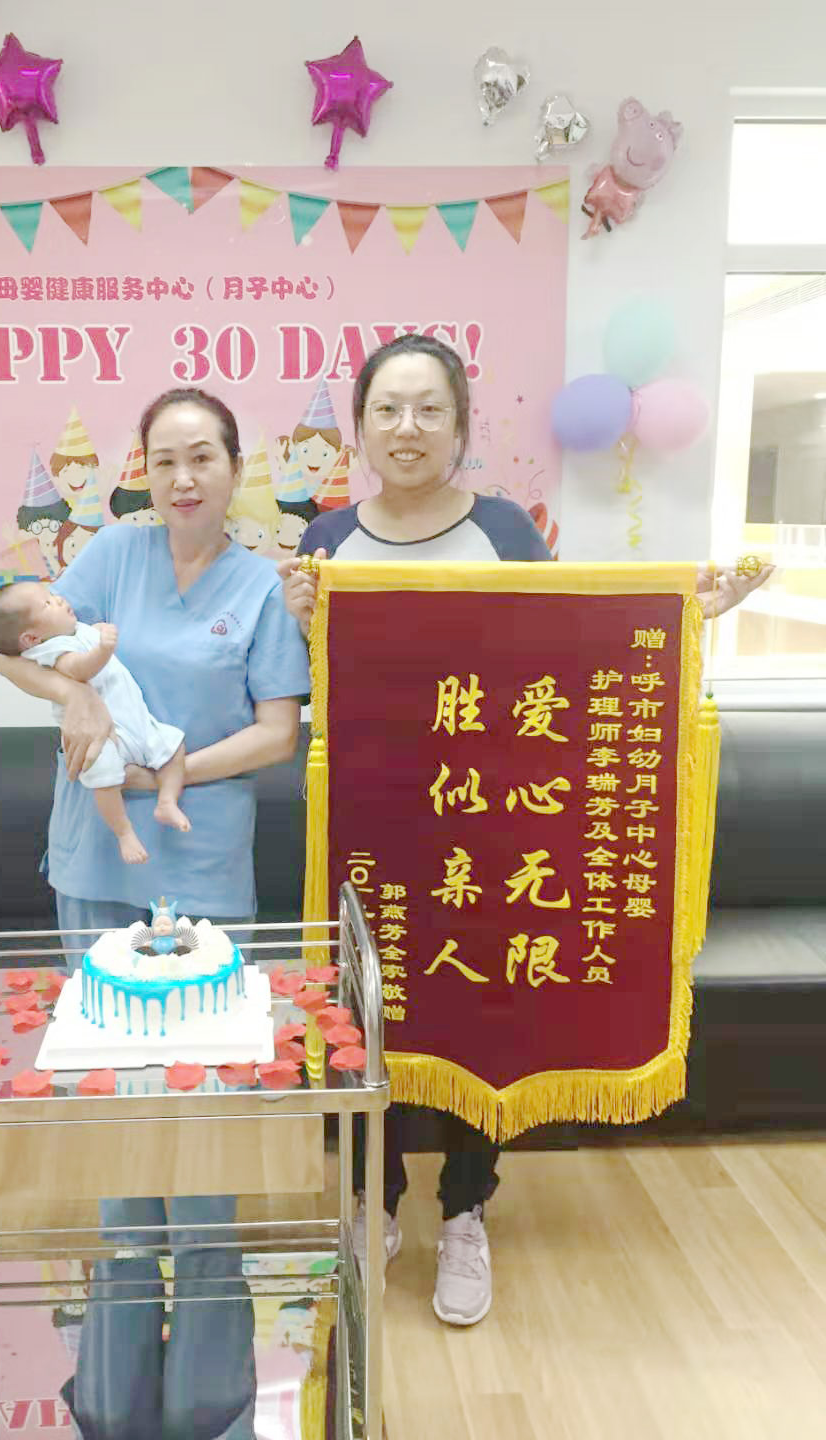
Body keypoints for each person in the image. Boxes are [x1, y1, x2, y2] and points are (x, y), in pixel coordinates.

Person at [280, 333, 773, 1330]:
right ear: (361, 427)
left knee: (481, 1007)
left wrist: (687, 613)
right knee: (370, 1012)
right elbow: (315, 690)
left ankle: (466, 1210)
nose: (408, 428)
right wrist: (301, 617)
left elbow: (574, 652)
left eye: (429, 408)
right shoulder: (326, 538)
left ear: (461, 425)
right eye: (387, 409)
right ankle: (377, 1202)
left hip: (492, 823)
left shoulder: (504, 529)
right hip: (375, 828)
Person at [0, 386, 310, 1440]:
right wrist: (76, 697)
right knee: (111, 1089)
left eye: (203, 457)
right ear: (143, 469)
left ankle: (210, 1378)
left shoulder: (260, 585)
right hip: (93, 858)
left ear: (235, 468)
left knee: (204, 1096)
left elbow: (278, 733)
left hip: (202, 862)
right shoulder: (111, 556)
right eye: (165, 459)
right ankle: (122, 1334)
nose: (184, 478)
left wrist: (160, 773)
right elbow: (14, 647)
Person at [0, 581, 188, 863]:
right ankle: (124, 833)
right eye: (47, 603)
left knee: (174, 745)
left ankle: (167, 801)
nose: (59, 599)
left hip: (135, 722)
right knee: (105, 780)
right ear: (31, 638)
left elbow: (88, 637)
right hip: (105, 737)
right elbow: (78, 669)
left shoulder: (75, 630)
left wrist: (97, 631)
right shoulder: (54, 649)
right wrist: (103, 649)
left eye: (53, 595)